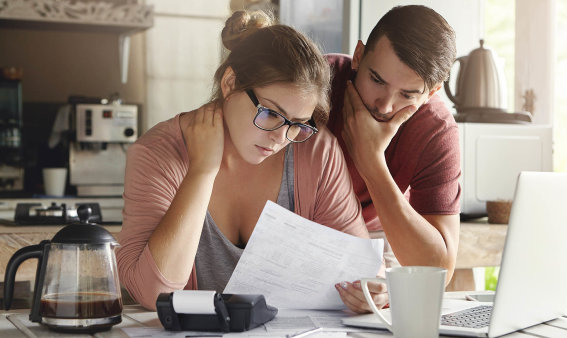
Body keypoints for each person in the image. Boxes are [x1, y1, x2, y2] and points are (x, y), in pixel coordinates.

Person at [116, 10, 387, 312]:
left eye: (297, 123)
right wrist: (202, 171)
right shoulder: (157, 153)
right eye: (270, 113)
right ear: (230, 84)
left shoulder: (316, 150)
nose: (280, 137)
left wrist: (374, 291)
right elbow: (153, 293)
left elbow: (360, 270)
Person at [330, 5, 461, 312]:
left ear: (432, 92)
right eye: (377, 80)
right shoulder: (315, 82)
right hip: (291, 221)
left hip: (378, 233)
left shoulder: (436, 130)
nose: (386, 106)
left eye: (408, 94)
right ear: (359, 55)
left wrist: (371, 162)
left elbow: (437, 272)